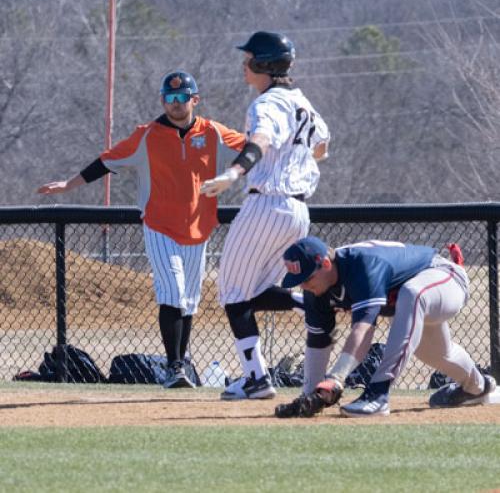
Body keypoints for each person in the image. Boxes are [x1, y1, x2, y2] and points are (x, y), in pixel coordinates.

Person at [37, 70, 245, 389]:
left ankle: (180, 363)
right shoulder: (146, 135)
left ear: (195, 100)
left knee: (188, 301)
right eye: (170, 98)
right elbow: (106, 161)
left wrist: (242, 169)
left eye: (182, 98)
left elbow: (252, 149)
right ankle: (174, 367)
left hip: (198, 227)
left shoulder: (213, 132)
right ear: (163, 100)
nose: (176, 104)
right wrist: (69, 184)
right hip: (159, 226)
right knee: (173, 292)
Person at [200, 31, 330, 400]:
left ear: (264, 66)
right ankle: (312, 301)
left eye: (249, 60)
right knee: (254, 291)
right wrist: (295, 160)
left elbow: (261, 141)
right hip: (297, 210)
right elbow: (322, 146)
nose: (244, 66)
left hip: (266, 204)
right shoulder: (302, 102)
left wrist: (233, 173)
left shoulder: (267, 102)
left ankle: (256, 379)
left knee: (232, 294)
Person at [276, 236, 497, 417]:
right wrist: (310, 396)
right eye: (300, 280)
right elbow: (319, 341)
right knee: (439, 354)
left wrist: (336, 378)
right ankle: (477, 388)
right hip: (410, 300)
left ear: (325, 263)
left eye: (308, 278)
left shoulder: (361, 264)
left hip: (443, 277)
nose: (304, 285)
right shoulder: (316, 289)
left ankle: (378, 394)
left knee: (412, 294)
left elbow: (363, 330)